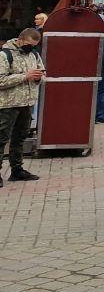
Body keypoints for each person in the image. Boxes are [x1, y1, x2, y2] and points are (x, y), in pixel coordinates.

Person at [0, 28, 44, 186]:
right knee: (2, 138)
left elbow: (41, 73)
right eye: (28, 44)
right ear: (20, 39)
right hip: (7, 104)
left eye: (34, 45)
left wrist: (39, 77)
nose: (31, 48)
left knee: (20, 138)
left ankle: (17, 170)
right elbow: (1, 81)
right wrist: (25, 76)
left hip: (27, 103)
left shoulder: (34, 54)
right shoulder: (5, 55)